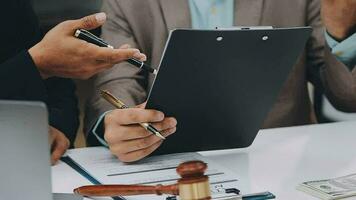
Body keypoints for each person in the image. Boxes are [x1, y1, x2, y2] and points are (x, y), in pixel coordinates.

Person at [85, 0, 356, 162]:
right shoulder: (127, 4)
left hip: (277, 162)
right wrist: (117, 123)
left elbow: (347, 97)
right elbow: (116, 82)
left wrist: (340, 30)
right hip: (166, 164)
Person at [0, 0, 146, 164]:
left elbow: (56, 82)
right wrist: (35, 65)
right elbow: (41, 60)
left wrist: (58, 125)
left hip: (32, 159)